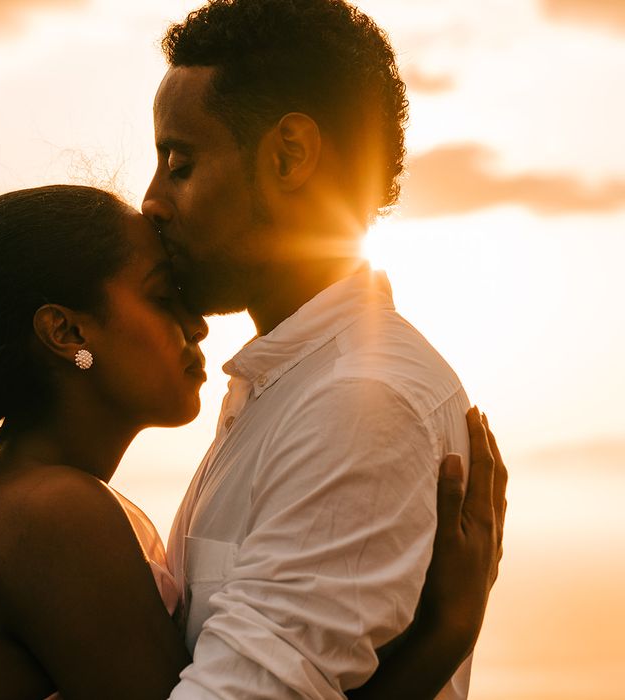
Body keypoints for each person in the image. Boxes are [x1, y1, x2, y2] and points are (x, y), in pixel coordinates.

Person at [0, 185, 505, 699]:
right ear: (67, 333)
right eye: (164, 295)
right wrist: (442, 636)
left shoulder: (19, 500)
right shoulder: (51, 517)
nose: (196, 322)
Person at [139, 0, 499, 697]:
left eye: (179, 163)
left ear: (289, 155)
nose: (151, 200)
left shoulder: (361, 406)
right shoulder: (294, 381)